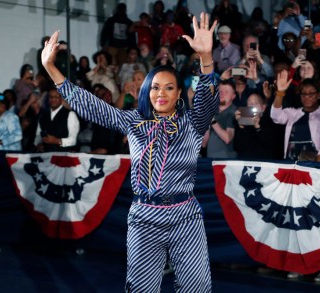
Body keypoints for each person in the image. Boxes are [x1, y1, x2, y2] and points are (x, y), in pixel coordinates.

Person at [41, 13, 218, 292]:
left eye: (169, 87)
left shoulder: (192, 123)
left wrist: (206, 59)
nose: (161, 92)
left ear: (179, 95)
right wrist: (51, 68)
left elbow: (207, 102)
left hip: (185, 216)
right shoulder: (134, 122)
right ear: (147, 91)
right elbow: (93, 106)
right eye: (156, 86)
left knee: (196, 288)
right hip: (144, 216)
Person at [271, 71, 320, 162]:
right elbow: (276, 117)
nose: (307, 97)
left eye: (311, 94)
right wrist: (280, 93)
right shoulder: (293, 113)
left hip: (314, 160)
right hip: (291, 159)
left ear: (318, 95)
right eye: (303, 94)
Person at [35, 88, 79, 152]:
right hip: (45, 156)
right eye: (51, 97)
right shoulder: (43, 115)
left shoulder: (70, 115)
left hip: (63, 155)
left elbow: (73, 140)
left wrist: (56, 141)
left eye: (56, 97)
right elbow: (38, 135)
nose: (53, 99)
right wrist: (38, 144)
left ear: (62, 98)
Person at [202, 80, 237, 159]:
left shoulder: (234, 112)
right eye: (220, 91)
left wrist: (212, 120)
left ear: (233, 96)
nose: (222, 94)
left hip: (227, 162)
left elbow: (227, 138)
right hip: (210, 160)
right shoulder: (213, 111)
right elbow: (204, 143)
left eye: (226, 92)